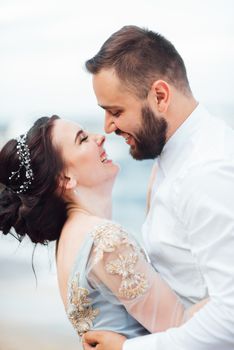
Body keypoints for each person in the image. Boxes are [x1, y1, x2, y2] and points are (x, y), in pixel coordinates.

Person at [82, 25, 234, 349]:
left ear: (160, 96)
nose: (108, 127)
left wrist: (128, 349)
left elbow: (230, 317)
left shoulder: (206, 173)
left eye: (116, 111)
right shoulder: (173, 154)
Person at [0, 117, 207, 343]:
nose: (100, 138)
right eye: (83, 139)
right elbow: (183, 331)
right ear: (66, 178)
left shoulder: (68, 240)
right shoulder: (106, 241)